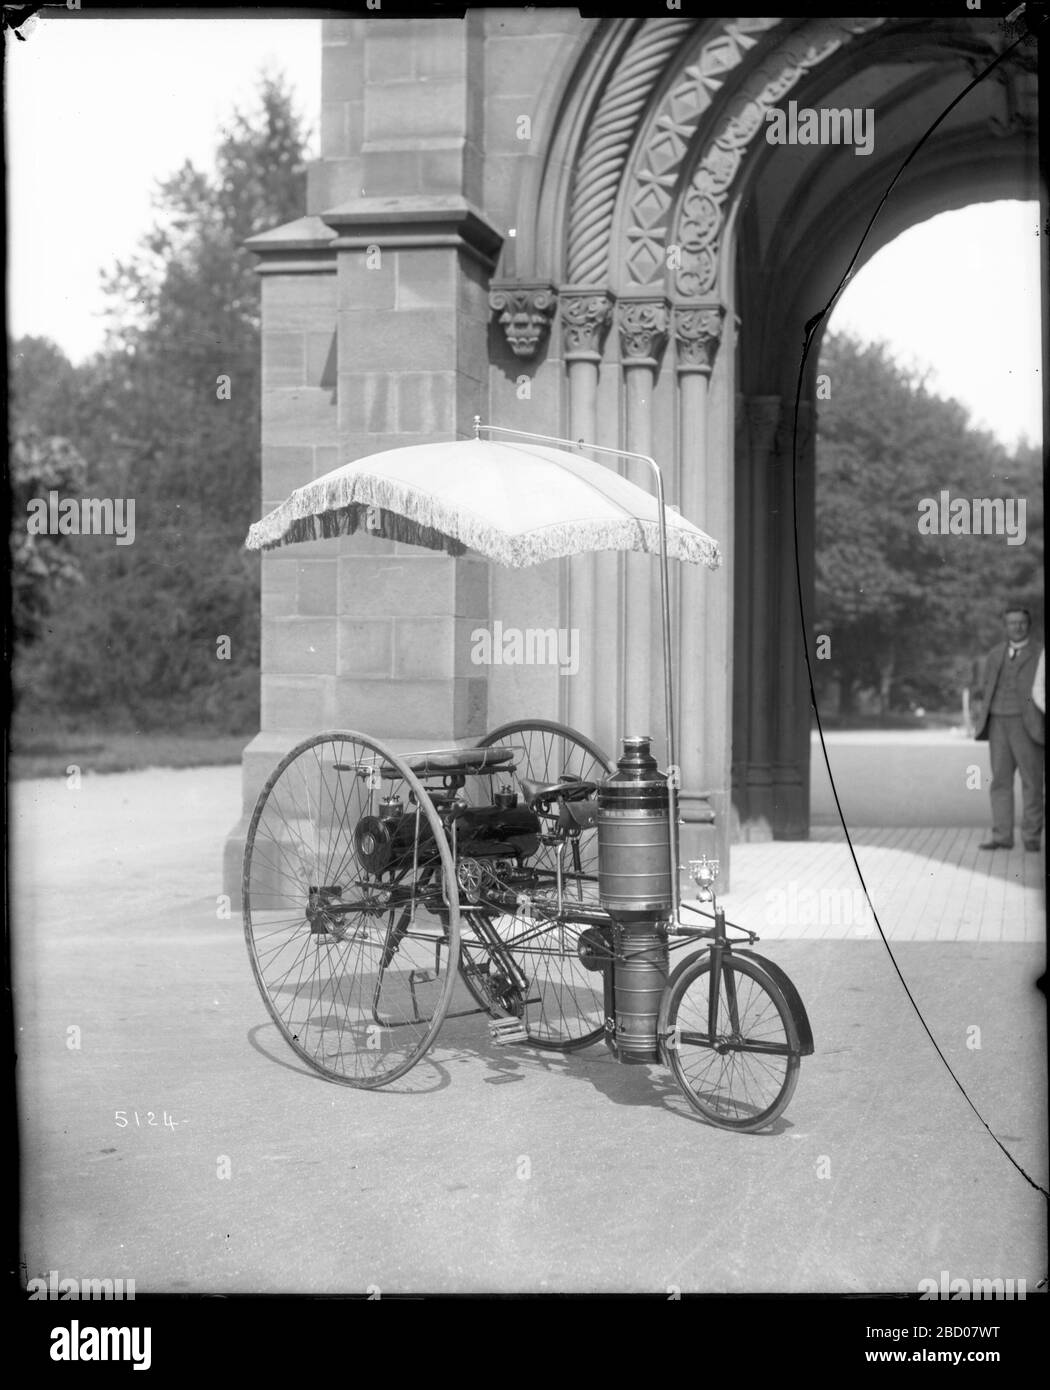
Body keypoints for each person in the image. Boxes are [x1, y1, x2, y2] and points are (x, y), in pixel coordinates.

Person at [973, 606, 1044, 851]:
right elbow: (986, 687)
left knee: (1032, 783)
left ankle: (1032, 839)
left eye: (1022, 622)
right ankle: (1002, 836)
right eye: (1012, 623)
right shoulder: (995, 654)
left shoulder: (1040, 653)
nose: (1017, 627)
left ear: (1029, 625)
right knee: (1000, 782)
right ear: (1005, 626)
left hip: (1028, 723)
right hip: (997, 722)